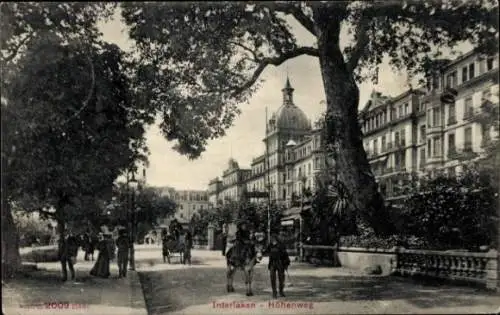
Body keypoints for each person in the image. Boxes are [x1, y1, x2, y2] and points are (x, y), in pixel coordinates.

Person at [266, 232, 290, 298]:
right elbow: (266, 251)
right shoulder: (270, 245)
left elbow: (286, 255)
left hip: (280, 263)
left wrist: (286, 264)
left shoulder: (281, 245)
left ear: (276, 239)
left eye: (273, 238)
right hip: (272, 263)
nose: (272, 239)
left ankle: (281, 291)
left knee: (281, 278)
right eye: (271, 238)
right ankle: (274, 292)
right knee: (272, 278)